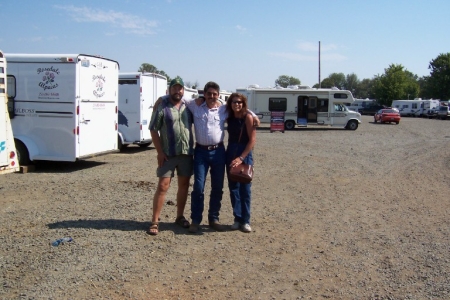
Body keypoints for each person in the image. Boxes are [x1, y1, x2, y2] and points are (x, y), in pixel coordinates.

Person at [187, 82, 259, 233]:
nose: (212, 96)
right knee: (199, 187)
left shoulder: (223, 109)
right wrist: (163, 98)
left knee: (218, 187)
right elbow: (179, 99)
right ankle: (195, 220)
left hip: (219, 152)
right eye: (209, 94)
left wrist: (253, 114)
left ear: (218, 95)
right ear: (204, 94)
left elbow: (241, 109)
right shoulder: (195, 106)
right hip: (200, 152)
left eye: (215, 94)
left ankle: (214, 218)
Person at [147, 78, 194, 235]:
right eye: (175, 88)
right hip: (167, 154)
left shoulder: (189, 107)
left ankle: (179, 217)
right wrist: (159, 152)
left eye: (180, 88)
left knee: (184, 186)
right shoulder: (162, 106)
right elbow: (153, 129)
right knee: (163, 186)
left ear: (183, 91)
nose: (177, 91)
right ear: (169, 90)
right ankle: (155, 221)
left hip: (186, 153)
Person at [225, 93, 256, 232]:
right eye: (234, 102)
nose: (236, 104)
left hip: (244, 153)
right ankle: (237, 218)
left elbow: (252, 140)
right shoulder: (229, 117)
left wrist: (242, 157)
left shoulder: (247, 118)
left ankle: (246, 221)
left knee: (245, 189)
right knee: (233, 188)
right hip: (230, 152)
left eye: (239, 102)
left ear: (243, 104)